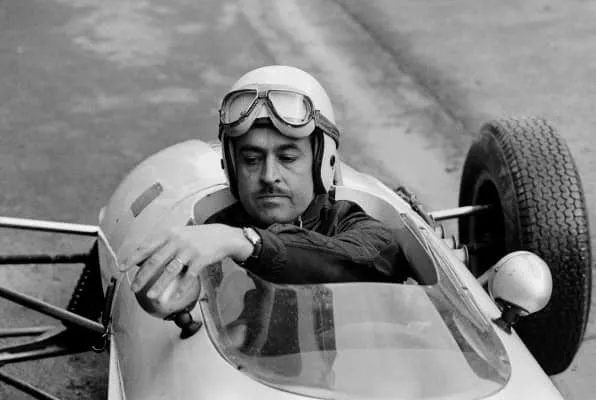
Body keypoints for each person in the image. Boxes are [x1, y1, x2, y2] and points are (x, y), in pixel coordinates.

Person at [126, 65, 408, 301]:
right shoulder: (202, 232)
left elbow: (372, 259)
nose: (269, 176)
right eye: (251, 159)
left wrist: (246, 242)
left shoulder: (352, 225)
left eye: (287, 157)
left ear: (323, 162)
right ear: (231, 166)